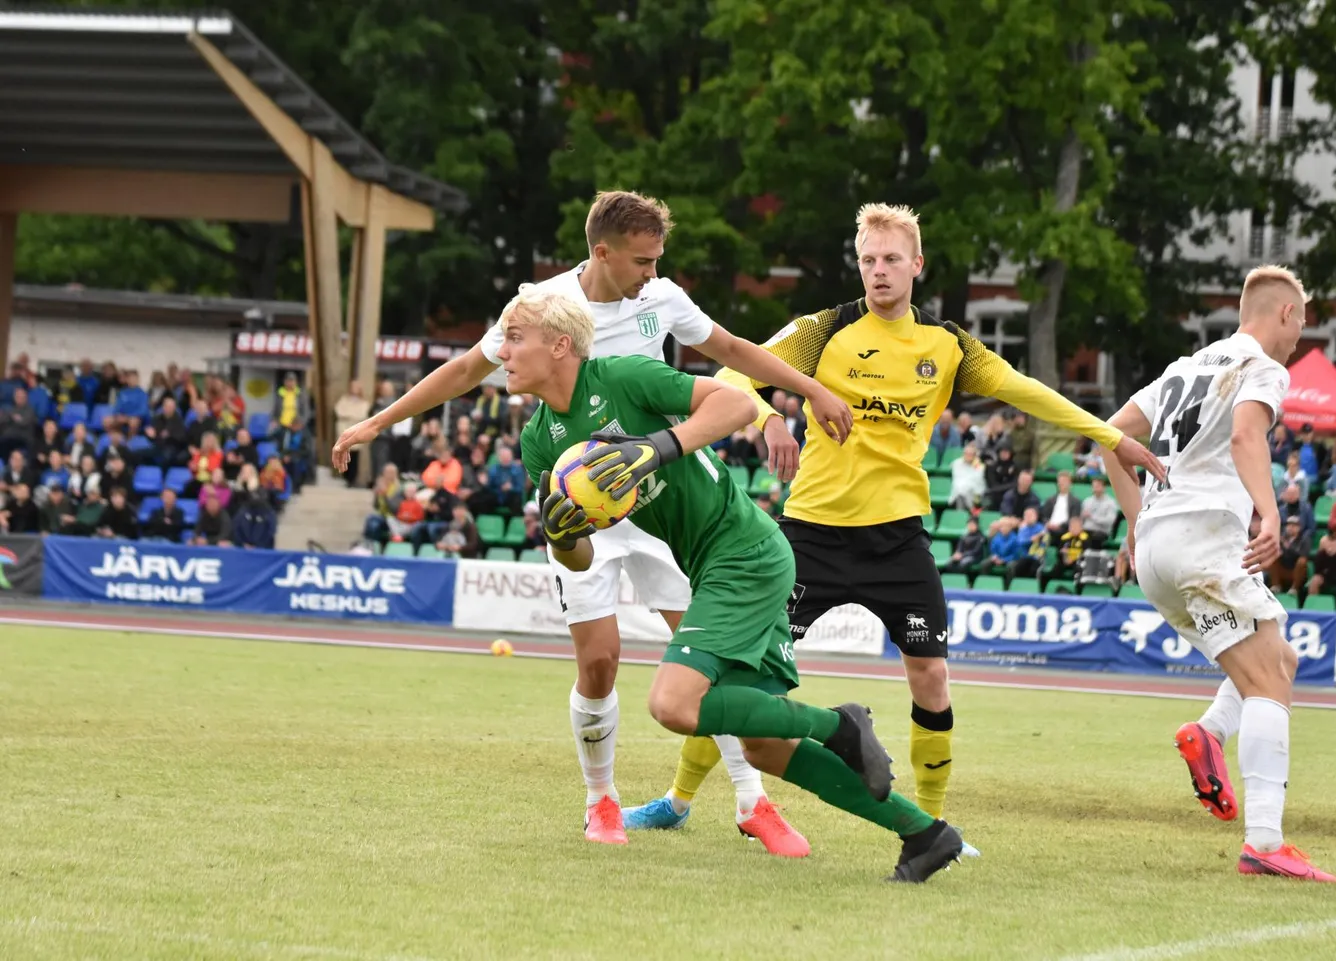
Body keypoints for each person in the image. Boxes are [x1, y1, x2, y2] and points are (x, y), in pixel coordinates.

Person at [332, 190, 855, 854]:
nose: (652, 272)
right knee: (600, 661)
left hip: (658, 497)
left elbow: (730, 347)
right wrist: (379, 422)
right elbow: (467, 369)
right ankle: (600, 800)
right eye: (642, 260)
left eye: (657, 259)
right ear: (602, 252)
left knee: (708, 661)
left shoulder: (661, 299)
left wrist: (807, 388)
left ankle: (755, 801)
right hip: (581, 498)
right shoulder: (541, 308)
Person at [656, 202, 1163, 829]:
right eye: (868, 261)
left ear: (916, 265)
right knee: (739, 673)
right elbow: (733, 375)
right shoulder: (823, 329)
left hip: (897, 540)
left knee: (931, 678)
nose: (879, 272)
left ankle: (933, 824)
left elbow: (1026, 391)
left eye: (892, 259)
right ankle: (678, 802)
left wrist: (1110, 437)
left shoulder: (947, 346)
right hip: (810, 534)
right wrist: (771, 419)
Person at [499, 284, 968, 882]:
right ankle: (925, 834)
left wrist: (655, 448)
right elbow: (576, 558)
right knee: (765, 746)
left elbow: (737, 406)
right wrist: (563, 534)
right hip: (722, 563)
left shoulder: (622, 376)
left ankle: (839, 724)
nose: (502, 351)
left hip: (743, 553)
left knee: (671, 703)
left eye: (514, 338)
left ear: (560, 345)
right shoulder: (540, 440)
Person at [1101, 264, 1336, 882]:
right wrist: (1270, 511)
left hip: (1159, 546)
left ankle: (1209, 734)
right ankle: (1265, 842)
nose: (1298, 341)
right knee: (1268, 681)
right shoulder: (1263, 367)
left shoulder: (1185, 367)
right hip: (1204, 537)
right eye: (1301, 325)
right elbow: (1245, 436)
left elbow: (1108, 437)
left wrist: (1136, 520)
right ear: (1285, 313)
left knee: (1276, 656)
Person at [1268, 516, 1309, 597]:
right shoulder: (1281, 538)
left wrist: (1289, 547)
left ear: (1299, 528)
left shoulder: (1305, 540)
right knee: (1273, 556)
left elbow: (1304, 555)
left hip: (1296, 571)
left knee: (1302, 561)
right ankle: (1276, 585)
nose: (1290, 528)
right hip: (1283, 568)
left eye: (1294, 526)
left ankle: (1294, 588)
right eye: (1289, 525)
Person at [1307, 533, 1336, 600]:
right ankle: (1312, 603)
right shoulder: (1320, 555)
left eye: (1333, 545)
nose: (1331, 548)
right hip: (1325, 576)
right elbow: (1317, 571)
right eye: (1329, 545)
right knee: (1315, 580)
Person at [1040, 470, 1081, 534]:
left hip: (1065, 530)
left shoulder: (1075, 501)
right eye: (1059, 481)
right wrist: (1047, 523)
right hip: (1049, 529)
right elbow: (1044, 517)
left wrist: (1060, 526)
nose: (1061, 483)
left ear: (1070, 483)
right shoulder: (1050, 500)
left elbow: (1074, 519)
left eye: (1064, 481)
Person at [948, 443, 987, 511]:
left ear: (975, 455)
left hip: (975, 493)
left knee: (964, 491)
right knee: (960, 493)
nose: (968, 456)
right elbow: (957, 479)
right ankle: (960, 515)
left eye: (971, 454)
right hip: (959, 492)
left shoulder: (979, 465)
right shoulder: (957, 463)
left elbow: (978, 481)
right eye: (967, 454)